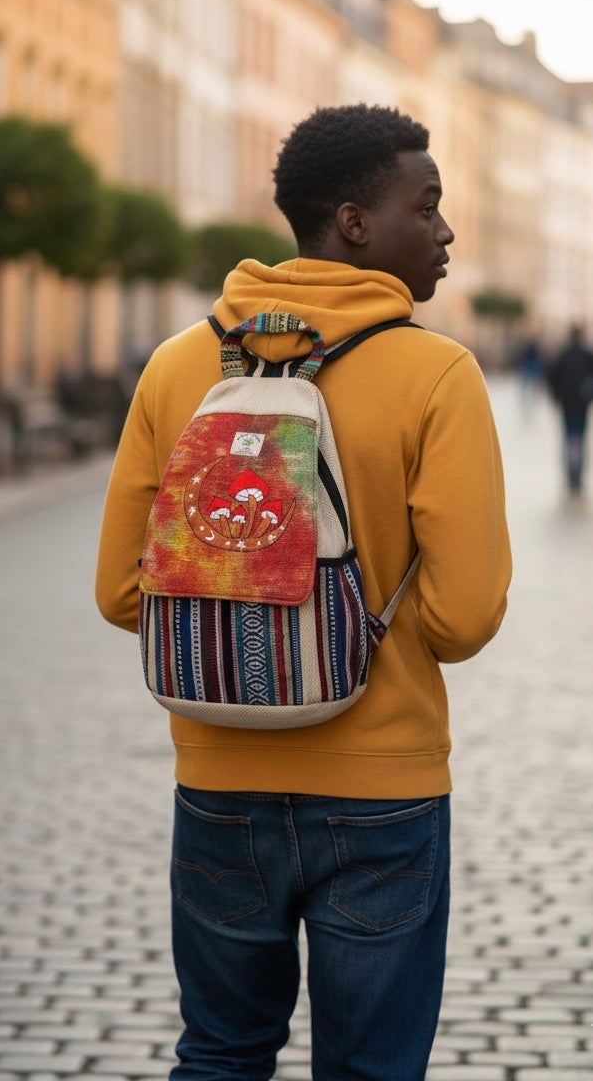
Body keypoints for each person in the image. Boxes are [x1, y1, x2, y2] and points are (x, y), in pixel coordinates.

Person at [96, 104, 511, 1081]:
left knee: (221, 1053)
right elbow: (464, 616)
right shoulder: (438, 373)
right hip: (383, 794)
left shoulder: (179, 364)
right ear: (355, 222)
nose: (446, 231)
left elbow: (123, 592)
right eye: (429, 204)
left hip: (218, 786)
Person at [545, 323, 593, 495]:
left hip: (567, 405)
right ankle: (577, 476)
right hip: (581, 405)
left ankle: (571, 476)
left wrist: (556, 397)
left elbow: (551, 377)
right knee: (579, 439)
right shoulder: (588, 355)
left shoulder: (562, 355)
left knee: (569, 439)